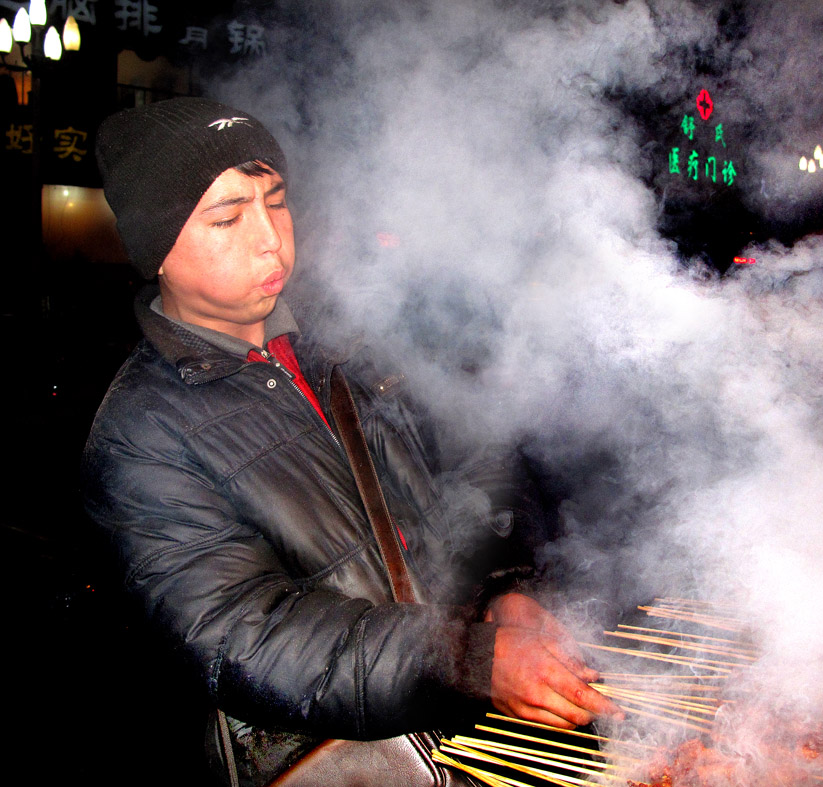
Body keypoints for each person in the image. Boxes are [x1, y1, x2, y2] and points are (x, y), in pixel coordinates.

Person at [80, 97, 619, 785]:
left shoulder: (350, 340)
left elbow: (471, 466)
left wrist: (499, 593)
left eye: (275, 202)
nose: (270, 238)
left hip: (459, 736)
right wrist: (470, 658)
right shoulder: (140, 432)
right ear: (157, 247)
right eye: (227, 217)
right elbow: (248, 636)